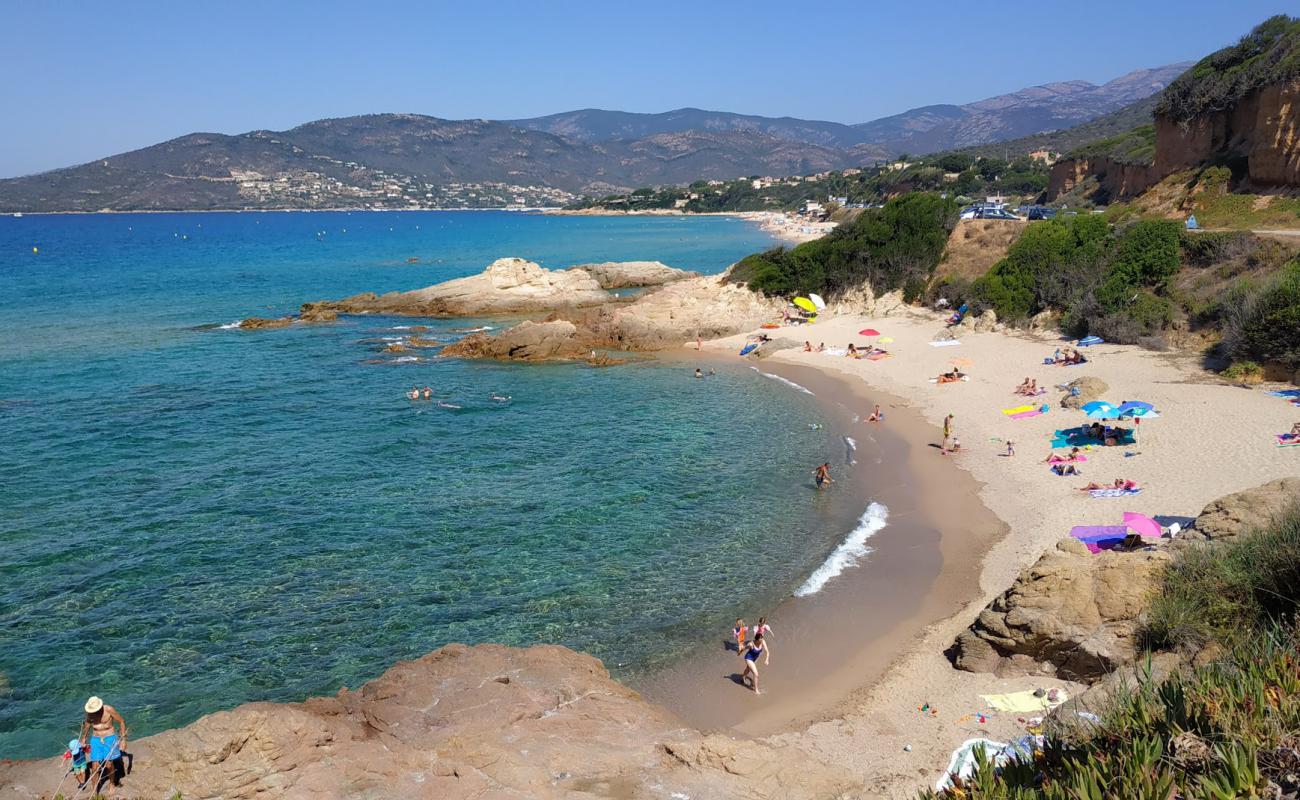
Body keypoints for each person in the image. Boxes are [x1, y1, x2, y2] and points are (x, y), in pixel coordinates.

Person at [81, 696, 127, 794]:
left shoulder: (109, 709)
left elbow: (121, 721)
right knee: (94, 766)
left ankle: (111, 783)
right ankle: (94, 790)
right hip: (96, 739)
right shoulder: (90, 713)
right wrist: (84, 738)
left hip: (109, 737)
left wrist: (123, 739)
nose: (94, 712)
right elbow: (87, 725)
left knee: (109, 764)